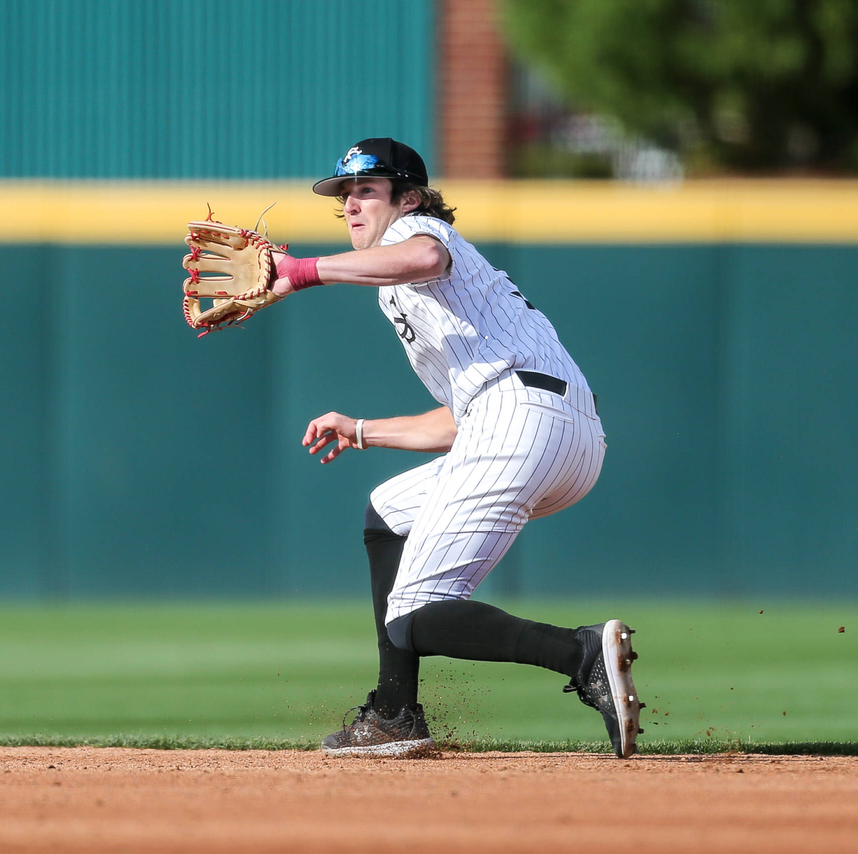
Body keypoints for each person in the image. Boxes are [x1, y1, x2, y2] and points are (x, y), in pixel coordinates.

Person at [269, 138, 642, 759]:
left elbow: (421, 255)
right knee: (388, 511)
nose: (351, 205)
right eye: (344, 196)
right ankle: (394, 711)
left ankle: (578, 654)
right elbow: (463, 420)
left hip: (523, 420)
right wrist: (362, 430)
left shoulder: (416, 233)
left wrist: (305, 270)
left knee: (414, 616)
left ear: (408, 197)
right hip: (555, 433)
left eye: (366, 190)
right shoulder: (411, 284)